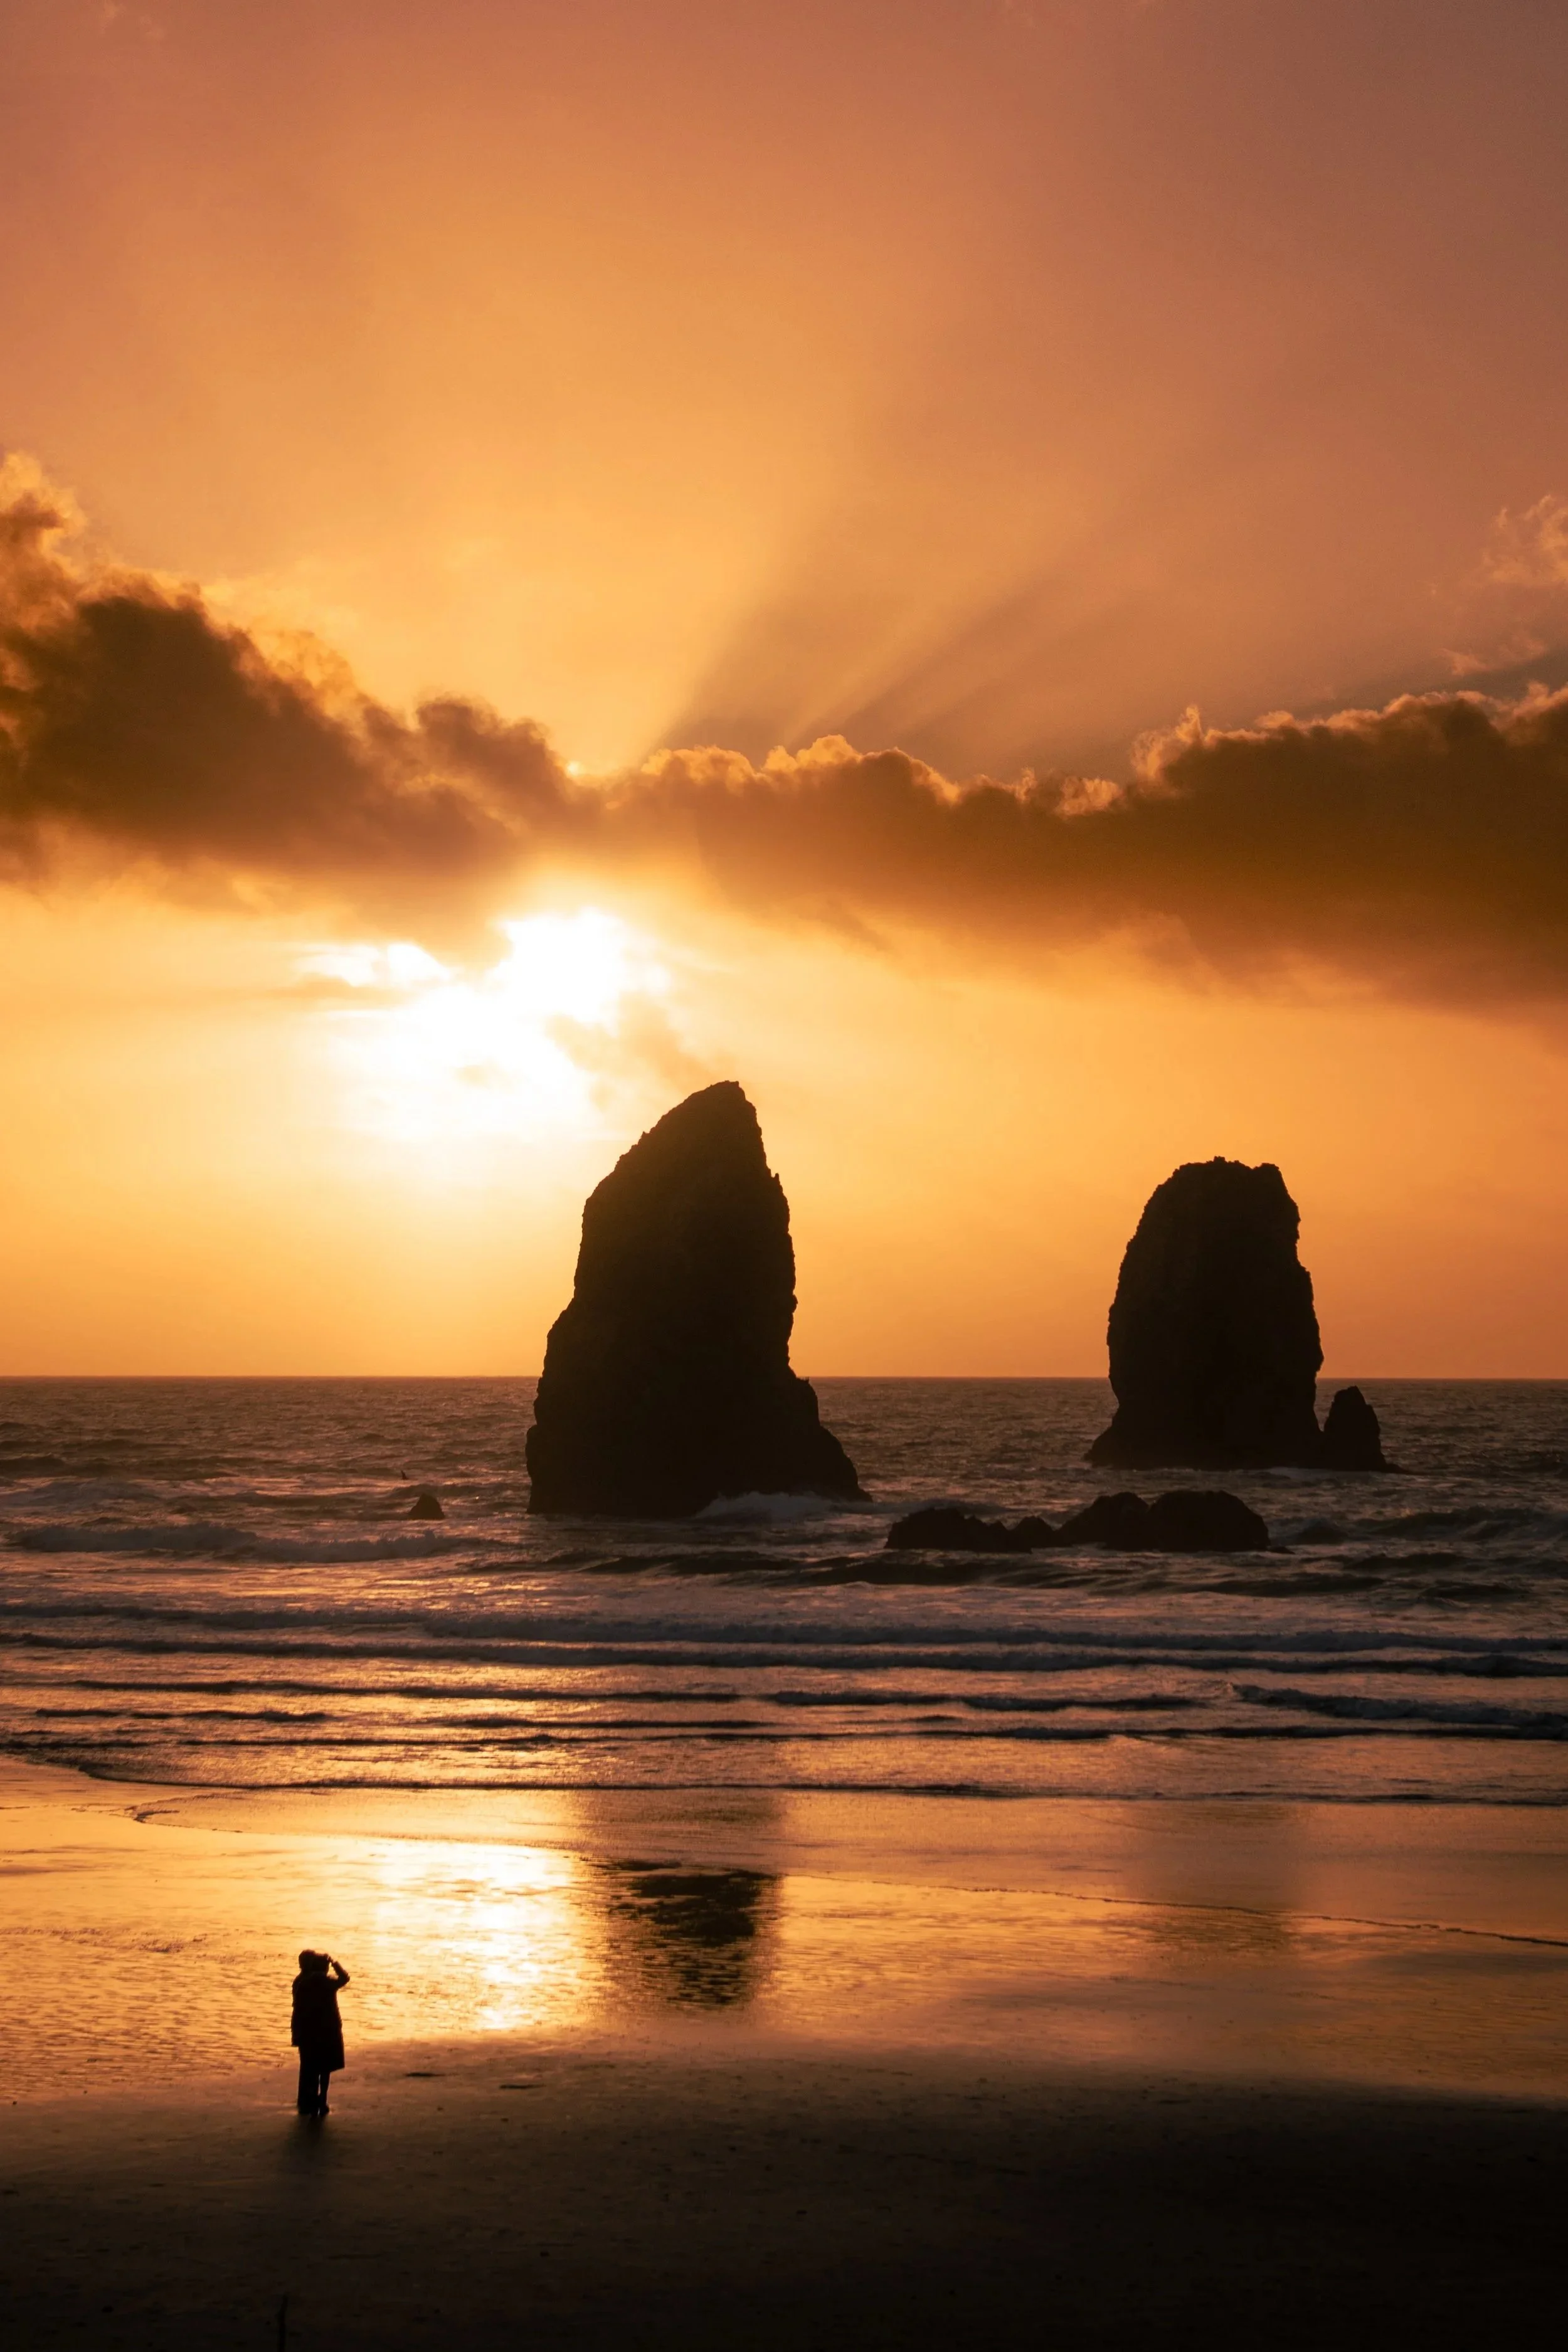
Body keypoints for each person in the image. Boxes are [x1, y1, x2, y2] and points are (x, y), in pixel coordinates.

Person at [290, 1949, 350, 2116]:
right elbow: (345, 1978)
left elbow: (298, 2010)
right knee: (325, 2068)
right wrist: (335, 1963)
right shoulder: (327, 1983)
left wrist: (297, 2033)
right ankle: (321, 2099)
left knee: (310, 2068)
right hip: (328, 2030)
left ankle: (308, 2100)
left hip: (308, 2032)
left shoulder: (303, 1983)